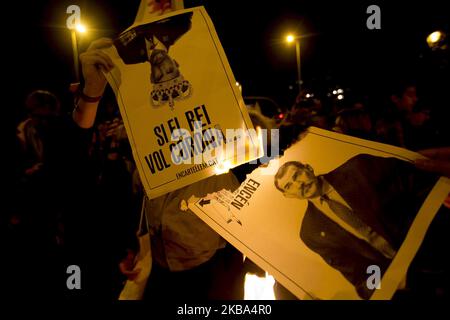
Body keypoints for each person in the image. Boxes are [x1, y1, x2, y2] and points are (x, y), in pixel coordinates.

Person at [74, 38, 245, 301]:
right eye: (158, 73)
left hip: (207, 270)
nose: (166, 79)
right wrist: (132, 249)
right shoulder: (141, 153)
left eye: (170, 71)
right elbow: (132, 203)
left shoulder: (226, 145)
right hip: (159, 265)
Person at [273, 153, 438, 299]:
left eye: (297, 175)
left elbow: (421, 185)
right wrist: (389, 283)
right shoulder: (311, 233)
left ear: (308, 168)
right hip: (408, 281)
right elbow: (360, 276)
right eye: (289, 186)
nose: (299, 184)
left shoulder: (358, 168)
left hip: (434, 241)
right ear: (289, 196)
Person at [114, 12, 193, 108]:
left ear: (151, 77)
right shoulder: (180, 27)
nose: (161, 66)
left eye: (159, 76)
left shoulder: (128, 56)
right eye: (169, 70)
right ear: (176, 63)